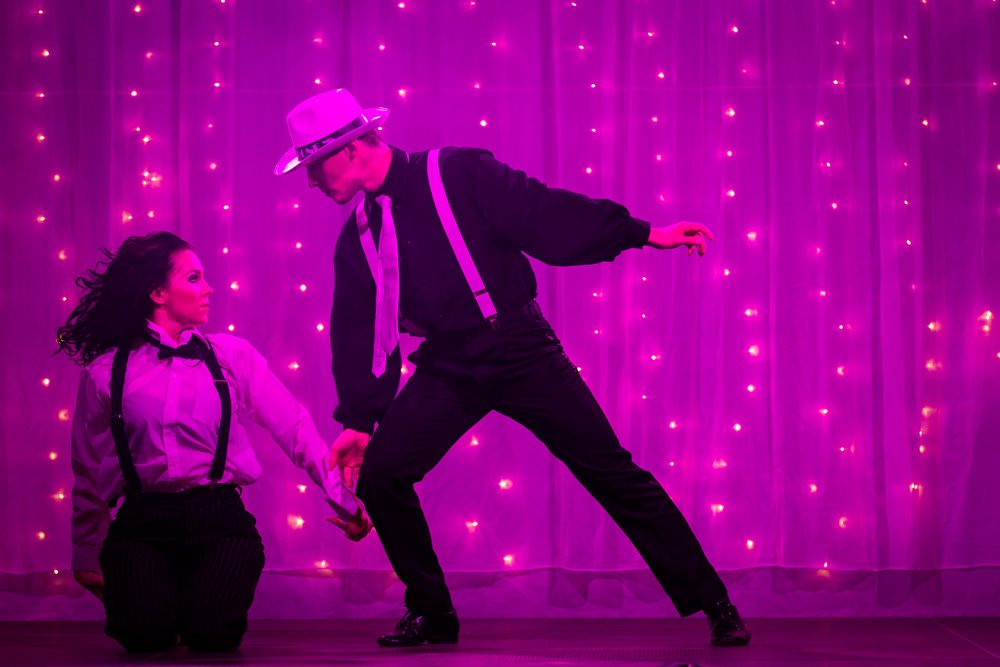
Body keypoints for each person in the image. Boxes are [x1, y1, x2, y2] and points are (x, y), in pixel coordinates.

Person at [274, 88, 750, 647]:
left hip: (518, 347)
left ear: (352, 148)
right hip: (450, 363)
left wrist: (644, 233)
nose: (311, 181)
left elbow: (545, 215)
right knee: (381, 475)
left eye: (315, 165)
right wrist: (360, 419)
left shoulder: (456, 172)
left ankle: (714, 602)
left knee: (609, 471)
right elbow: (356, 330)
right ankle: (431, 611)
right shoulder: (358, 237)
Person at [59, 231, 371, 653]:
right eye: (193, 278)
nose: (209, 288)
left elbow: (294, 428)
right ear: (157, 293)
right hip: (142, 522)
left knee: (212, 635)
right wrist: (85, 553)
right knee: (144, 637)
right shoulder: (105, 371)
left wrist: (347, 502)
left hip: (218, 520)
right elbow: (87, 467)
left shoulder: (231, 356)